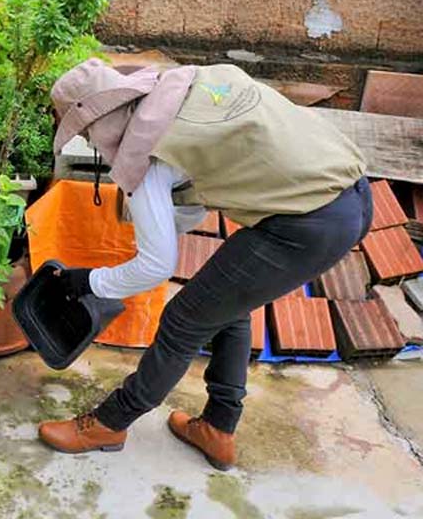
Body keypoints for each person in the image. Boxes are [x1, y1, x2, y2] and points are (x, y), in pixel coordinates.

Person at [38, 60, 371, 470]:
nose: (90, 140)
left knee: (183, 319)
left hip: (306, 221)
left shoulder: (144, 153)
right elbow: (192, 207)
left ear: (98, 123)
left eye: (85, 132)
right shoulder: (187, 87)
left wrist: (87, 282)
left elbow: (157, 266)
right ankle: (218, 427)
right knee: (226, 303)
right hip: (352, 193)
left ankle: (109, 423)